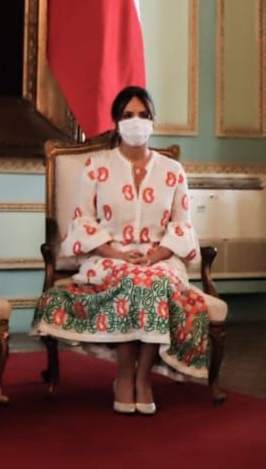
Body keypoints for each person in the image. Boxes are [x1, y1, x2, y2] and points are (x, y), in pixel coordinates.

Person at [31, 85, 209, 413]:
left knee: (153, 283)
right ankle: (125, 375)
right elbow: (82, 220)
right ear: (117, 122)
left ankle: (143, 377)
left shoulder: (173, 171)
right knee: (133, 281)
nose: (136, 122)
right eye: (128, 116)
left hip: (161, 259)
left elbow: (182, 225)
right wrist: (118, 253)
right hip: (109, 257)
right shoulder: (96, 167)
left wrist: (155, 255)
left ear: (153, 121)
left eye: (143, 115)